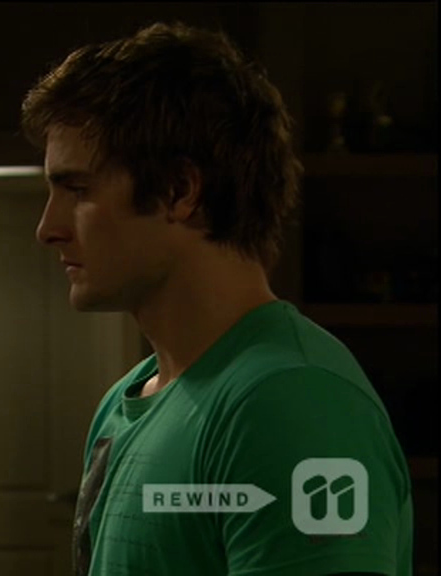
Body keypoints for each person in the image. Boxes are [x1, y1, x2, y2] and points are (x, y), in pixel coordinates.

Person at [23, 21, 412, 576]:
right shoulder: (123, 404)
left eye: (78, 190)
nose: (48, 229)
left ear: (180, 191)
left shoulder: (291, 401)